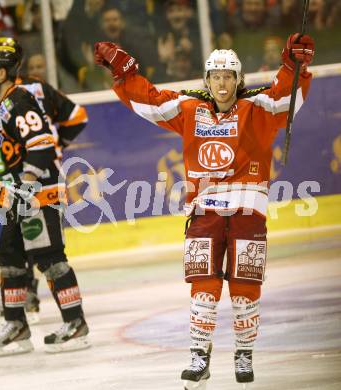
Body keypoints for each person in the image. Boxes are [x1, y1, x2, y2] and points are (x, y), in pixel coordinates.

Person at [94, 32, 314, 388]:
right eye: (215, 76)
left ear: (238, 80)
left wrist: (294, 65)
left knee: (245, 289)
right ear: (206, 80)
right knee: (203, 288)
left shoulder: (259, 108)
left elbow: (288, 96)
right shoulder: (188, 109)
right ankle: (199, 355)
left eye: (228, 76)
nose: (222, 83)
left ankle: (244, 354)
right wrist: (123, 72)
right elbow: (149, 99)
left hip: (247, 215)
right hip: (204, 214)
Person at [0, 43, 90, 356]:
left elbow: (42, 146)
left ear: (0, 73)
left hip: (39, 193)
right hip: (13, 195)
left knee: (49, 258)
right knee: (9, 259)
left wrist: (26, 186)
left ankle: (75, 322)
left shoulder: (20, 100)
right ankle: (16, 324)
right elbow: (1, 156)